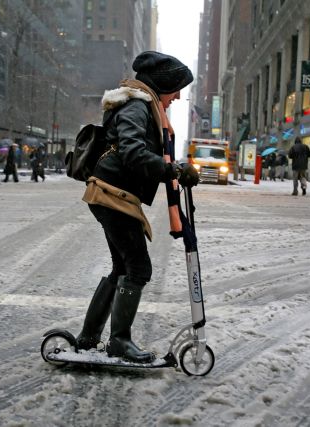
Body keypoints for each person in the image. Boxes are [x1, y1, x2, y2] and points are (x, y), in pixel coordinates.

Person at [75, 51, 198, 363]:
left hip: (112, 194)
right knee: (139, 268)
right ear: (163, 84)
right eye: (176, 88)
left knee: (123, 267)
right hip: (111, 194)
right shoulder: (137, 106)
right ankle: (118, 342)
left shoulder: (140, 105)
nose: (178, 96)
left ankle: (89, 337)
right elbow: (132, 152)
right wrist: (173, 170)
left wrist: (174, 170)